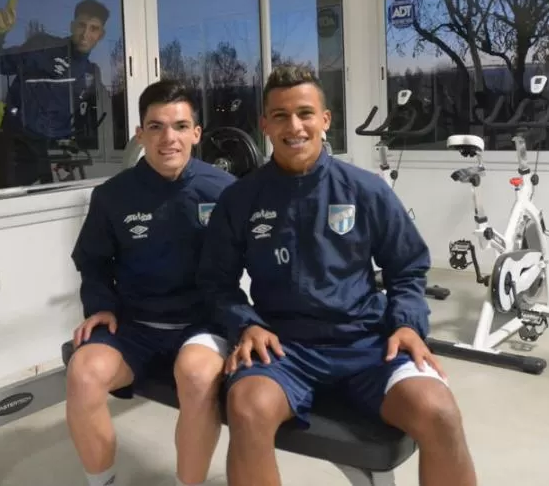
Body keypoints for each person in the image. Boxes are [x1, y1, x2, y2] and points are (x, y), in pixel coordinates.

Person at [197, 65, 477, 486]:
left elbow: (407, 266)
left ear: (325, 120)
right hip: (283, 349)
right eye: (281, 116)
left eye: (306, 113)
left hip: (366, 344)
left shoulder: (365, 190)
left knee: (439, 411)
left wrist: (407, 323)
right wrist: (246, 324)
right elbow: (215, 282)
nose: (295, 126)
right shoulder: (240, 199)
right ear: (265, 125)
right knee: (247, 408)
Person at [67, 79, 237, 486]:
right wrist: (100, 306)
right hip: (134, 326)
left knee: (196, 377)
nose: (169, 139)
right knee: (83, 373)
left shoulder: (225, 191)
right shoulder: (112, 196)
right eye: (156, 126)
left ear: (196, 133)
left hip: (201, 323)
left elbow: (258, 259)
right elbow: (92, 261)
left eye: (180, 126)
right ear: (140, 133)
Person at [0, 0, 108, 188]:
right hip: (18, 146)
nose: (85, 34)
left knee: (55, 212)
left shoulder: (91, 74)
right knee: (14, 211)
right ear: (72, 26)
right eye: (82, 25)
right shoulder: (43, 47)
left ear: (101, 35)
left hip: (55, 153)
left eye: (94, 28)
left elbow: (84, 121)